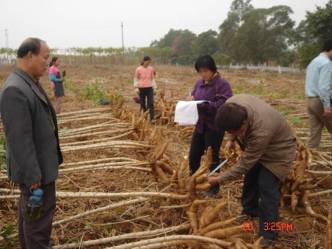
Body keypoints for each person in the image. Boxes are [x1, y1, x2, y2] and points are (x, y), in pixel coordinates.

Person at [208, 94, 296, 247]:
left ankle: (269, 233)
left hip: (278, 153)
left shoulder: (261, 128)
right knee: (250, 179)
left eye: (237, 131)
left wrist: (219, 179)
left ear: (245, 122)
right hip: (259, 148)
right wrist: (231, 139)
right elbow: (231, 126)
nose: (235, 133)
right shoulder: (230, 106)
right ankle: (249, 211)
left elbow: (244, 164)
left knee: (266, 188)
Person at [0, 38, 63, 249]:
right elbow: (19, 140)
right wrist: (33, 177)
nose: (48, 63)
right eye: (44, 58)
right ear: (29, 56)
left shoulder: (28, 82)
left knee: (31, 220)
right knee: (37, 227)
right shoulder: (15, 90)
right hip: (36, 174)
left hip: (40, 168)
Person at [189, 55, 232, 195]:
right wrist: (191, 101)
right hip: (200, 125)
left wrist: (205, 105)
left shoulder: (222, 85)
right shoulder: (199, 83)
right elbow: (194, 96)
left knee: (212, 158)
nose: (203, 74)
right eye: (200, 71)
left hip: (214, 127)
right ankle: (193, 183)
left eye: (205, 71)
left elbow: (223, 105)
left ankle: (213, 188)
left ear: (213, 69)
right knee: (194, 155)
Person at [305, 40, 332, 149]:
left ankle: (309, 160)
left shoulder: (314, 61)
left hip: (311, 101)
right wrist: (327, 106)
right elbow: (324, 87)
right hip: (320, 102)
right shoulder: (327, 64)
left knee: (314, 134)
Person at [134, 56, 157, 121]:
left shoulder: (151, 69)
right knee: (142, 104)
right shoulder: (138, 69)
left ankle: (152, 118)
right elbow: (136, 79)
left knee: (151, 103)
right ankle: (144, 117)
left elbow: (152, 79)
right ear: (144, 61)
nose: (148, 63)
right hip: (141, 88)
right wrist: (136, 88)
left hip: (149, 88)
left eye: (149, 62)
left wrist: (155, 88)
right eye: (148, 62)